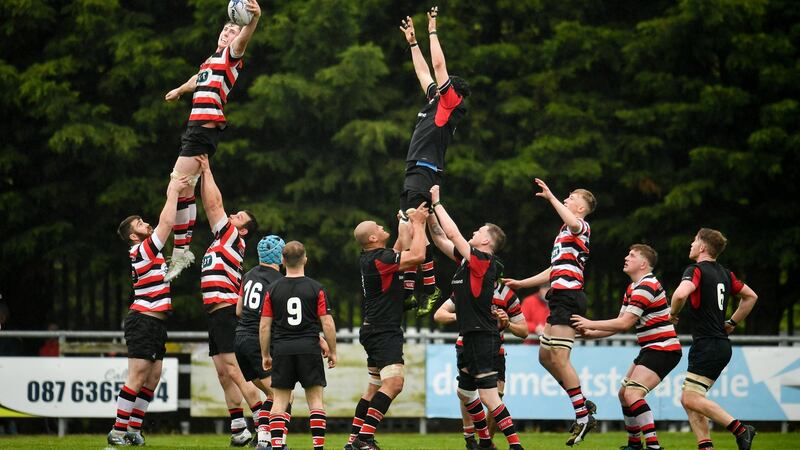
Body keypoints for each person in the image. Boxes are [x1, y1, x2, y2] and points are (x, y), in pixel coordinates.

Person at [162, 0, 262, 281]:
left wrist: (253, 20)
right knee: (184, 190)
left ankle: (182, 252)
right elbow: (198, 78)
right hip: (195, 130)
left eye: (232, 30)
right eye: (225, 28)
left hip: (203, 131)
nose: (226, 32)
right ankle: (182, 251)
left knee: (177, 184)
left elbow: (244, 39)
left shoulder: (231, 55)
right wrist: (180, 90)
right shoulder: (210, 61)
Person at [427, 184, 524, 450]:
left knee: (490, 398)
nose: (474, 232)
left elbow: (453, 233)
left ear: (486, 242)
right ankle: (484, 442)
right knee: (465, 393)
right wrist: (428, 213)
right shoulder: (468, 263)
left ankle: (514, 446)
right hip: (471, 336)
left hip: (483, 337)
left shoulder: (483, 261)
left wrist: (437, 202)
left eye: (479, 231)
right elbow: (439, 236)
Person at [503, 178, 597, 446]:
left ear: (581, 208)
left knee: (560, 357)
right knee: (545, 356)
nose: (567, 198)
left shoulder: (580, 226)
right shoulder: (566, 232)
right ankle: (581, 402)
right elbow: (554, 269)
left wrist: (552, 197)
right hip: (559, 298)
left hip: (569, 298)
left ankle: (582, 415)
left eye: (571, 197)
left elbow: (573, 222)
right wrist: (523, 283)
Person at [397, 6, 470, 315]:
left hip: (423, 170)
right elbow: (425, 72)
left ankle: (421, 289)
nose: (440, 86)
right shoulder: (435, 102)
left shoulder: (450, 104)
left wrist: (432, 28)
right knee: (420, 229)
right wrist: (413, 43)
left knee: (409, 225)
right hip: (423, 170)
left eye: (445, 85)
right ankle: (424, 287)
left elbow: (438, 65)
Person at [572, 244, 681, 450]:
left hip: (663, 348)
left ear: (643, 263)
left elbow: (624, 323)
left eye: (631, 255)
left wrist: (589, 323)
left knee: (632, 394)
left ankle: (653, 446)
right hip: (652, 348)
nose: (626, 258)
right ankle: (634, 444)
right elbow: (620, 324)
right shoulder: (633, 287)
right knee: (624, 394)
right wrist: (590, 334)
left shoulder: (647, 285)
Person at [109, 176, 189, 446]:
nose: (147, 224)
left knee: (152, 378)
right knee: (138, 376)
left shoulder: (149, 251)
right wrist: (174, 191)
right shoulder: (140, 250)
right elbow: (167, 223)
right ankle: (118, 431)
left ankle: (133, 429)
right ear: (134, 236)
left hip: (154, 323)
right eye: (140, 224)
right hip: (142, 320)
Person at [346, 203, 429, 450]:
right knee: (394, 384)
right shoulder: (380, 259)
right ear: (372, 238)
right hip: (383, 331)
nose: (383, 227)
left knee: (374, 387)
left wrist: (405, 221)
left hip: (373, 329)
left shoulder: (374, 258)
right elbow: (417, 256)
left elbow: (401, 247)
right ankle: (365, 438)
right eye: (379, 227)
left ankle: (353, 441)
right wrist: (419, 223)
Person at [669, 229, 758, 450]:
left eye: (694, 240)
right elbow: (750, 297)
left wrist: (672, 314)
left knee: (690, 398)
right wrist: (732, 323)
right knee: (690, 398)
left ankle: (740, 429)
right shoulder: (726, 274)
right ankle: (705, 445)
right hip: (718, 343)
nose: (691, 243)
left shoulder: (696, 270)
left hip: (707, 344)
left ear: (702, 247)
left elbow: (681, 294)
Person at [196, 155, 263, 447]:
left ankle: (263, 424)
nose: (231, 217)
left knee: (234, 370)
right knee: (224, 373)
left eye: (238, 217)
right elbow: (213, 207)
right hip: (215, 312)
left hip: (225, 311)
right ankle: (239, 428)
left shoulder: (233, 237)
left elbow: (213, 205)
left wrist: (206, 170)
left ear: (243, 229)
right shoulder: (220, 239)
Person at [260, 241, 337, 450]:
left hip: (282, 349)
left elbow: (265, 326)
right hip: (309, 348)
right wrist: (333, 351)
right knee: (315, 401)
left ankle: (276, 445)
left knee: (279, 402)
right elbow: (327, 322)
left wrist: (266, 354)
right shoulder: (316, 288)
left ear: (282, 261)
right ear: (305, 259)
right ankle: (318, 447)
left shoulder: (272, 289)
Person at [434, 281, 528, 450]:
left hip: (495, 351)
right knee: (471, 393)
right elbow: (439, 315)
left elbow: (524, 332)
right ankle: (475, 438)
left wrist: (507, 324)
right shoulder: (466, 288)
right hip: (469, 346)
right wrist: (462, 316)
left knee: (485, 396)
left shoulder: (507, 295)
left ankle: (486, 441)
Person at [235, 235, 286, 449]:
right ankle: (268, 441)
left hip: (240, 339)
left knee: (271, 395)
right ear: (280, 257)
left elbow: (238, 310)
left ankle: (264, 438)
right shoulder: (278, 281)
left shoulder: (248, 275)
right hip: (258, 340)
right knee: (281, 395)